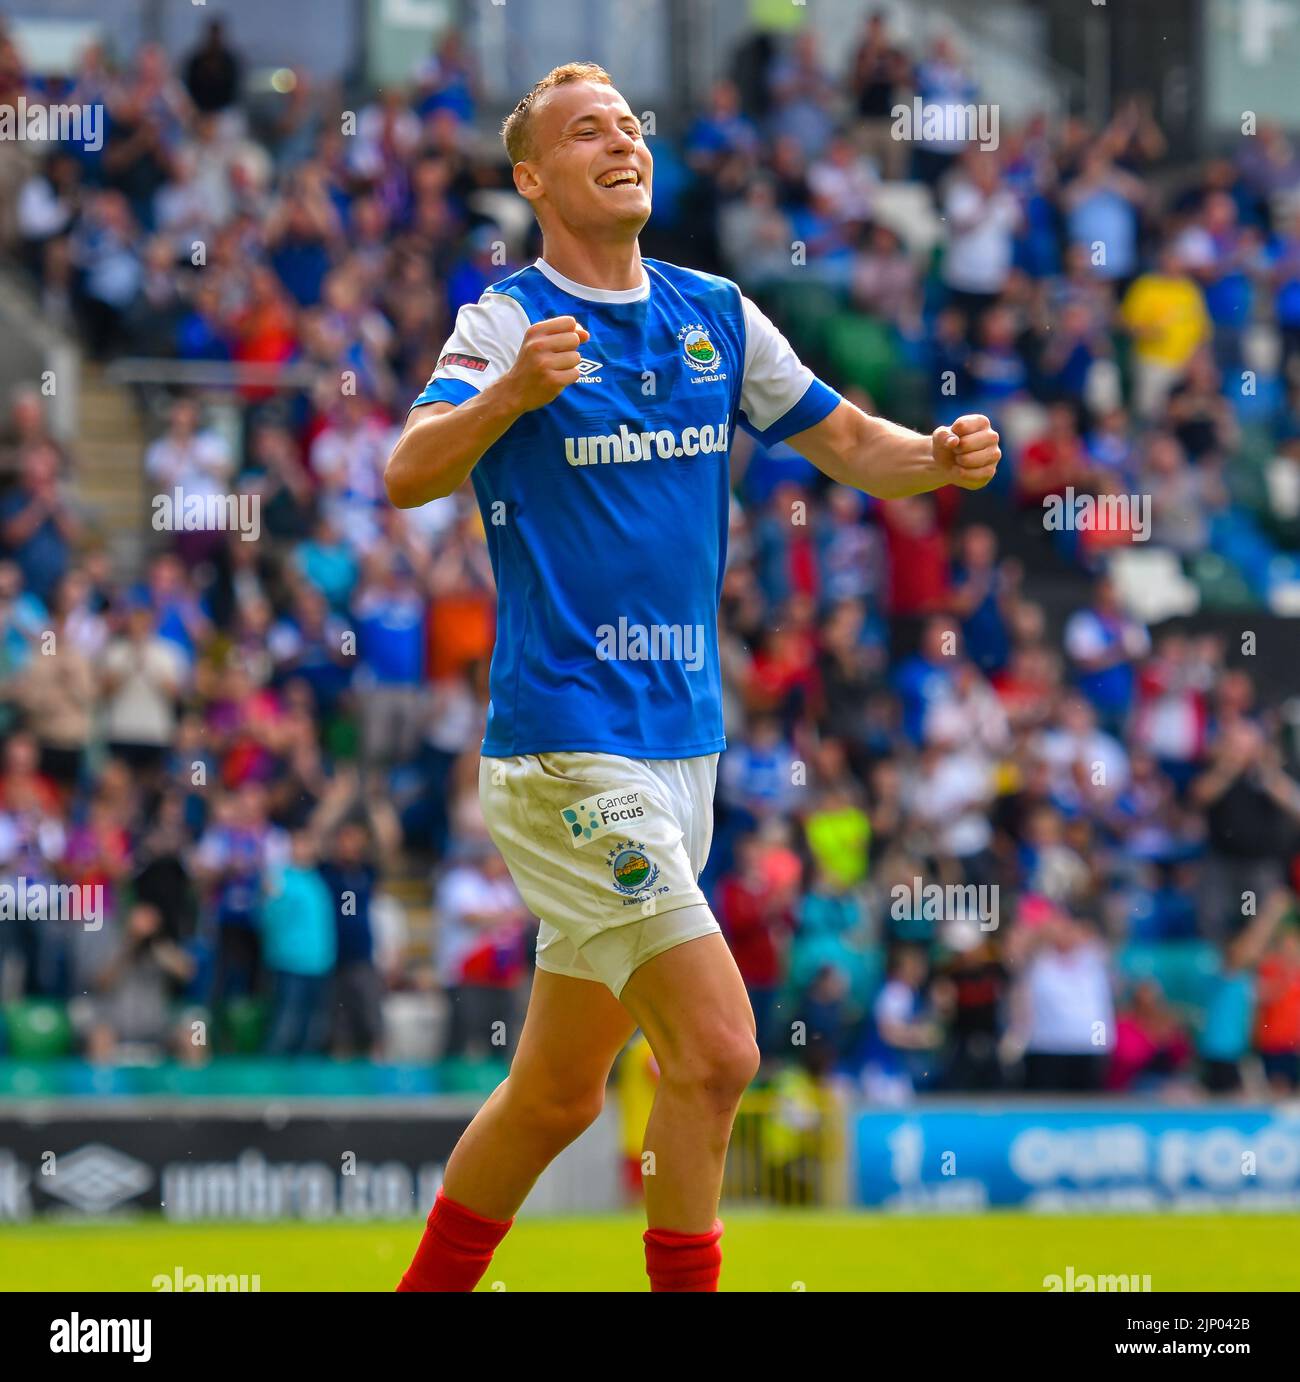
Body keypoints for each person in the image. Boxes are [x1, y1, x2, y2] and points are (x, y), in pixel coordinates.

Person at [385, 62, 1000, 1294]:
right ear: (531, 179)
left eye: (627, 124)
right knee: (717, 1052)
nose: (620, 142)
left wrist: (933, 457)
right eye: (583, 131)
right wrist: (511, 393)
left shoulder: (712, 307)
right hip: (566, 747)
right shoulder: (510, 320)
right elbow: (407, 471)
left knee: (556, 1093)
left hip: (684, 753)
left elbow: (849, 443)